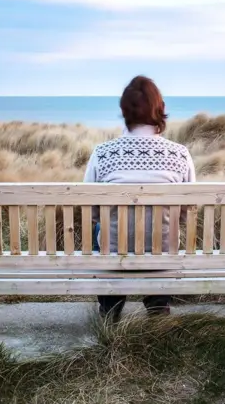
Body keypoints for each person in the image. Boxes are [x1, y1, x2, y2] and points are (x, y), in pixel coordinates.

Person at [83, 75, 196, 322]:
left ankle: (110, 306)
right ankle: (158, 304)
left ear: (124, 111)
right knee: (166, 232)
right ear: (160, 109)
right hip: (163, 251)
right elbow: (187, 211)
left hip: (115, 251)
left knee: (102, 230)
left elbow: (89, 211)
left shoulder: (102, 154)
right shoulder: (180, 154)